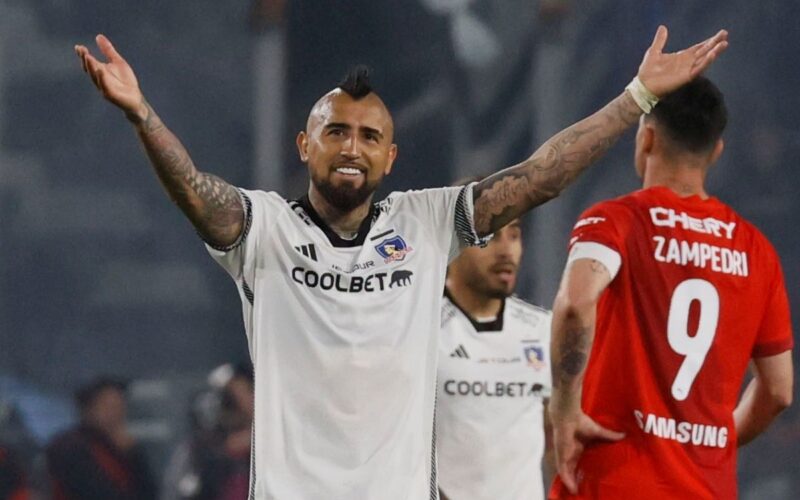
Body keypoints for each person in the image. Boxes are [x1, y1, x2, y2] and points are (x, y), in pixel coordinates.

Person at [74, 26, 727, 499]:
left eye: (368, 136)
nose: (351, 147)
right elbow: (193, 190)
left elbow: (539, 177)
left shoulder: (425, 221)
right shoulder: (265, 229)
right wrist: (142, 115)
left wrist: (637, 95)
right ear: (305, 145)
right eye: (336, 131)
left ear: (391, 157)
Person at [548, 76, 793, 499]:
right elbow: (779, 389)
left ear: (646, 138)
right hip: (705, 486)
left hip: (612, 482)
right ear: (716, 151)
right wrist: (713, 438)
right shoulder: (757, 251)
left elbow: (575, 303)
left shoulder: (614, 221)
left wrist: (565, 408)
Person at [435, 192, 554, 500]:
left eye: (514, 235)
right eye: (489, 237)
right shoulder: (419, 330)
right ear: (450, 244)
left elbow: (559, 434)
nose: (506, 251)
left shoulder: (543, 329)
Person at [46, 377, 156, 500]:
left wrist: (134, 456)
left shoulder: (123, 448)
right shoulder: (70, 446)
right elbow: (96, 492)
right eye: (108, 406)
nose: (116, 413)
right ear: (89, 409)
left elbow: (148, 492)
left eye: (120, 405)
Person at [162, 363, 254, 500]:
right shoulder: (198, 451)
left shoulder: (270, 444)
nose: (233, 404)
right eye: (228, 397)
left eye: (241, 393)